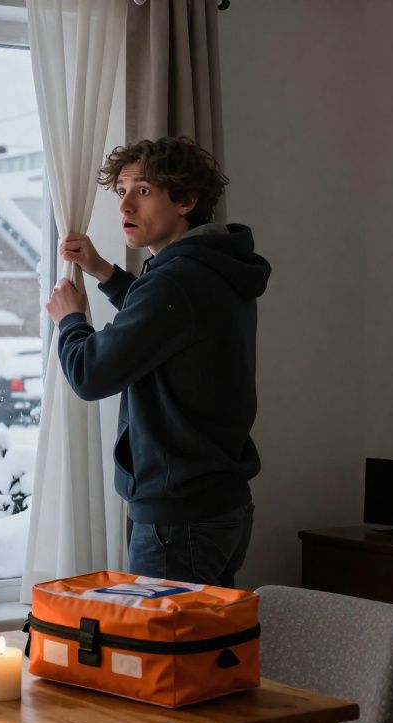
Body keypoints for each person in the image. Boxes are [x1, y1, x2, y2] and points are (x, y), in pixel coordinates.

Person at [43, 136, 271, 588]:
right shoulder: (212, 267)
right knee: (202, 653)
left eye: (143, 191)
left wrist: (70, 320)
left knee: (160, 658)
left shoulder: (176, 281)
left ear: (186, 200)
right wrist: (105, 272)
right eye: (121, 191)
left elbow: (90, 374)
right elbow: (168, 325)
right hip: (222, 507)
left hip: (178, 521)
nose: (126, 205)